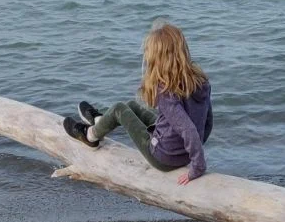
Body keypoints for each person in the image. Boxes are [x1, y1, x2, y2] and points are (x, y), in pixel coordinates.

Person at [63, 22, 212, 185]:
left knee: (120, 109)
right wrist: (191, 149)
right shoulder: (201, 81)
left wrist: (197, 166)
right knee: (132, 106)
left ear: (157, 59)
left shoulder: (166, 92)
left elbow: (187, 129)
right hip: (181, 150)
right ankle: (101, 121)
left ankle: (90, 136)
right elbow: (207, 122)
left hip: (164, 157)